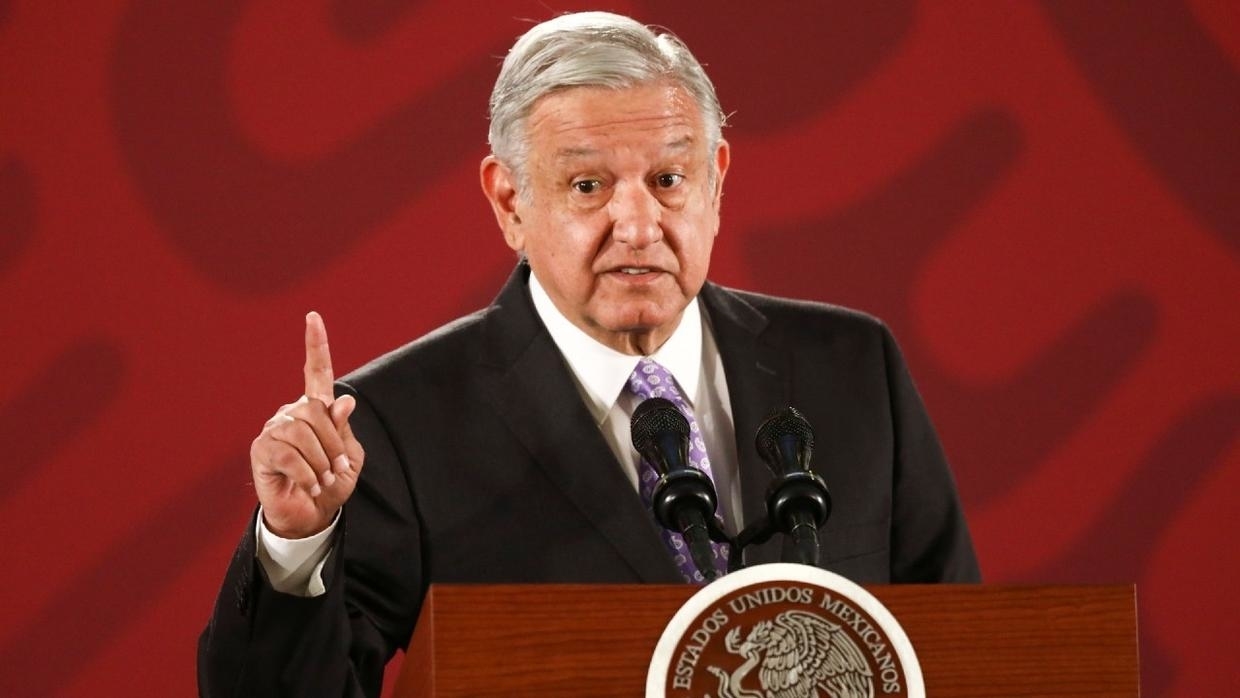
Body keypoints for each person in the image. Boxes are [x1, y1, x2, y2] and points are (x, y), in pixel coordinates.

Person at [198, 11, 979, 697]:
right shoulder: (399, 425)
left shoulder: (852, 367)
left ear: (716, 182)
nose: (637, 225)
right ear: (510, 201)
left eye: (668, 178)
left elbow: (965, 651)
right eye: (587, 186)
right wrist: (294, 544)